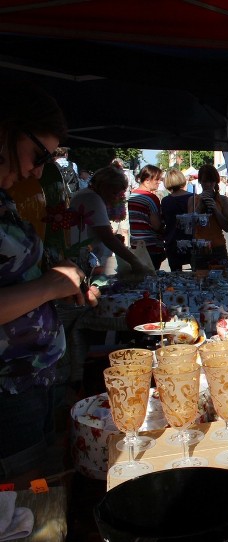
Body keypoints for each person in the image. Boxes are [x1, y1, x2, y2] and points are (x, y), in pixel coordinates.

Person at [0, 83, 99, 484]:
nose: (36, 171)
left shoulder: (4, 196)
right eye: (38, 155)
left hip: (33, 380)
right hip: (7, 391)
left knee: (44, 494)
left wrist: (57, 268)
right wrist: (49, 286)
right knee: (24, 511)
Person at [69, 166, 157, 275]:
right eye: (114, 193)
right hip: (83, 260)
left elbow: (100, 232)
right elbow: (107, 237)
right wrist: (135, 261)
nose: (115, 198)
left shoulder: (86, 194)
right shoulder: (93, 198)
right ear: (104, 187)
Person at [190, 163, 228, 268]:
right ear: (200, 182)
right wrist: (200, 207)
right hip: (200, 248)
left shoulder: (222, 200)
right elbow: (190, 226)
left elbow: (227, 227)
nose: (208, 185)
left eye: (211, 181)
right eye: (205, 181)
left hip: (218, 247)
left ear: (215, 182)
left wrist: (215, 209)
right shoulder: (193, 200)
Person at [128, 164, 166, 269]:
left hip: (136, 243)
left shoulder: (132, 195)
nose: (159, 182)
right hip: (150, 245)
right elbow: (156, 225)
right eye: (157, 179)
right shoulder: (151, 198)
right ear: (147, 180)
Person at [160, 168, 193, 271]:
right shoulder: (192, 198)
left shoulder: (166, 201)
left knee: (175, 275)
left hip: (172, 241)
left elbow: (164, 220)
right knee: (196, 275)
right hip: (190, 240)